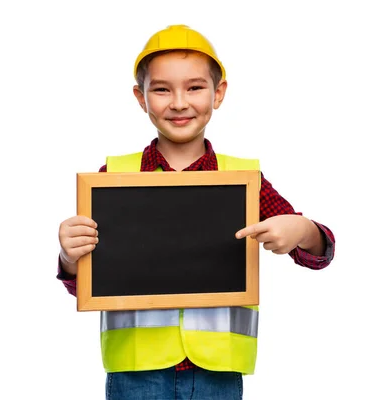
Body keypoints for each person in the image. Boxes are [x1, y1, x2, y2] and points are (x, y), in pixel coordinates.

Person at [57, 24, 335, 400]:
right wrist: (69, 257)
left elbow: (318, 252)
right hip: (135, 374)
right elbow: (88, 283)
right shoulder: (114, 179)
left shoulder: (243, 181)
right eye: (161, 89)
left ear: (218, 93)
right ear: (141, 97)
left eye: (194, 87)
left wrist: (301, 229)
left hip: (217, 373)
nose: (179, 102)